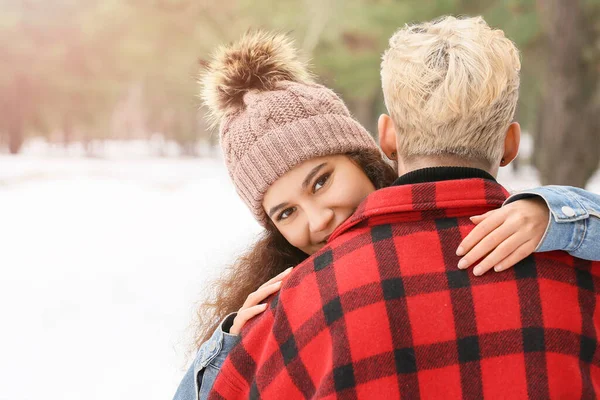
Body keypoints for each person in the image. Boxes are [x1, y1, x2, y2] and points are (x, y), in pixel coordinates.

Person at [173, 28, 600, 400]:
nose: (318, 220)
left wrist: (559, 215)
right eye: (286, 213)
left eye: (321, 182)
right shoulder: (285, 307)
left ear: (380, 145)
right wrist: (228, 343)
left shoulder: (301, 312)